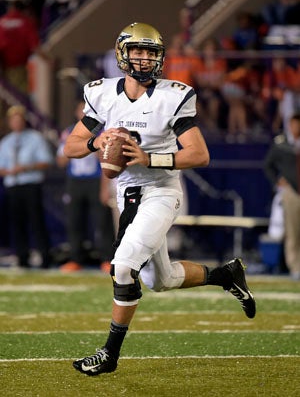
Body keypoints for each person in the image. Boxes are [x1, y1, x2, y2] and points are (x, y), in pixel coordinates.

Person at [63, 22, 256, 376]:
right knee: (159, 280)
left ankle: (109, 354)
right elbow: (71, 146)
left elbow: (199, 155)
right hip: (127, 195)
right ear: (123, 54)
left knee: (123, 267)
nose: (146, 58)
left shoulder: (173, 95)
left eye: (152, 52)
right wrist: (98, 141)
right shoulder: (102, 93)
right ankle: (227, 274)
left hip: (162, 191)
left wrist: (150, 158)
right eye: (138, 51)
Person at [56, 100, 115, 272]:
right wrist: (74, 148)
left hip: (96, 179)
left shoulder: (102, 131)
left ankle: (107, 258)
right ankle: (75, 258)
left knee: (102, 220)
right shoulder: (69, 132)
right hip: (75, 181)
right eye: (80, 109)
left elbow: (106, 161)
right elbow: (61, 160)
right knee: (74, 220)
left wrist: (105, 188)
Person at [0, 105, 53, 268]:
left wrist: (26, 168)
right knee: (16, 223)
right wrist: (8, 171)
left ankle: (45, 257)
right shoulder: (6, 142)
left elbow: (47, 161)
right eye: (13, 120)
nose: (16, 122)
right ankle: (22, 258)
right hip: (12, 185)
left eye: (19, 119)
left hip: (30, 184)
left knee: (36, 221)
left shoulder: (35, 138)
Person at [264, 113, 300, 280]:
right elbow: (268, 165)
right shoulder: (282, 143)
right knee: (292, 231)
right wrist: (277, 181)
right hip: (292, 191)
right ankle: (295, 267)